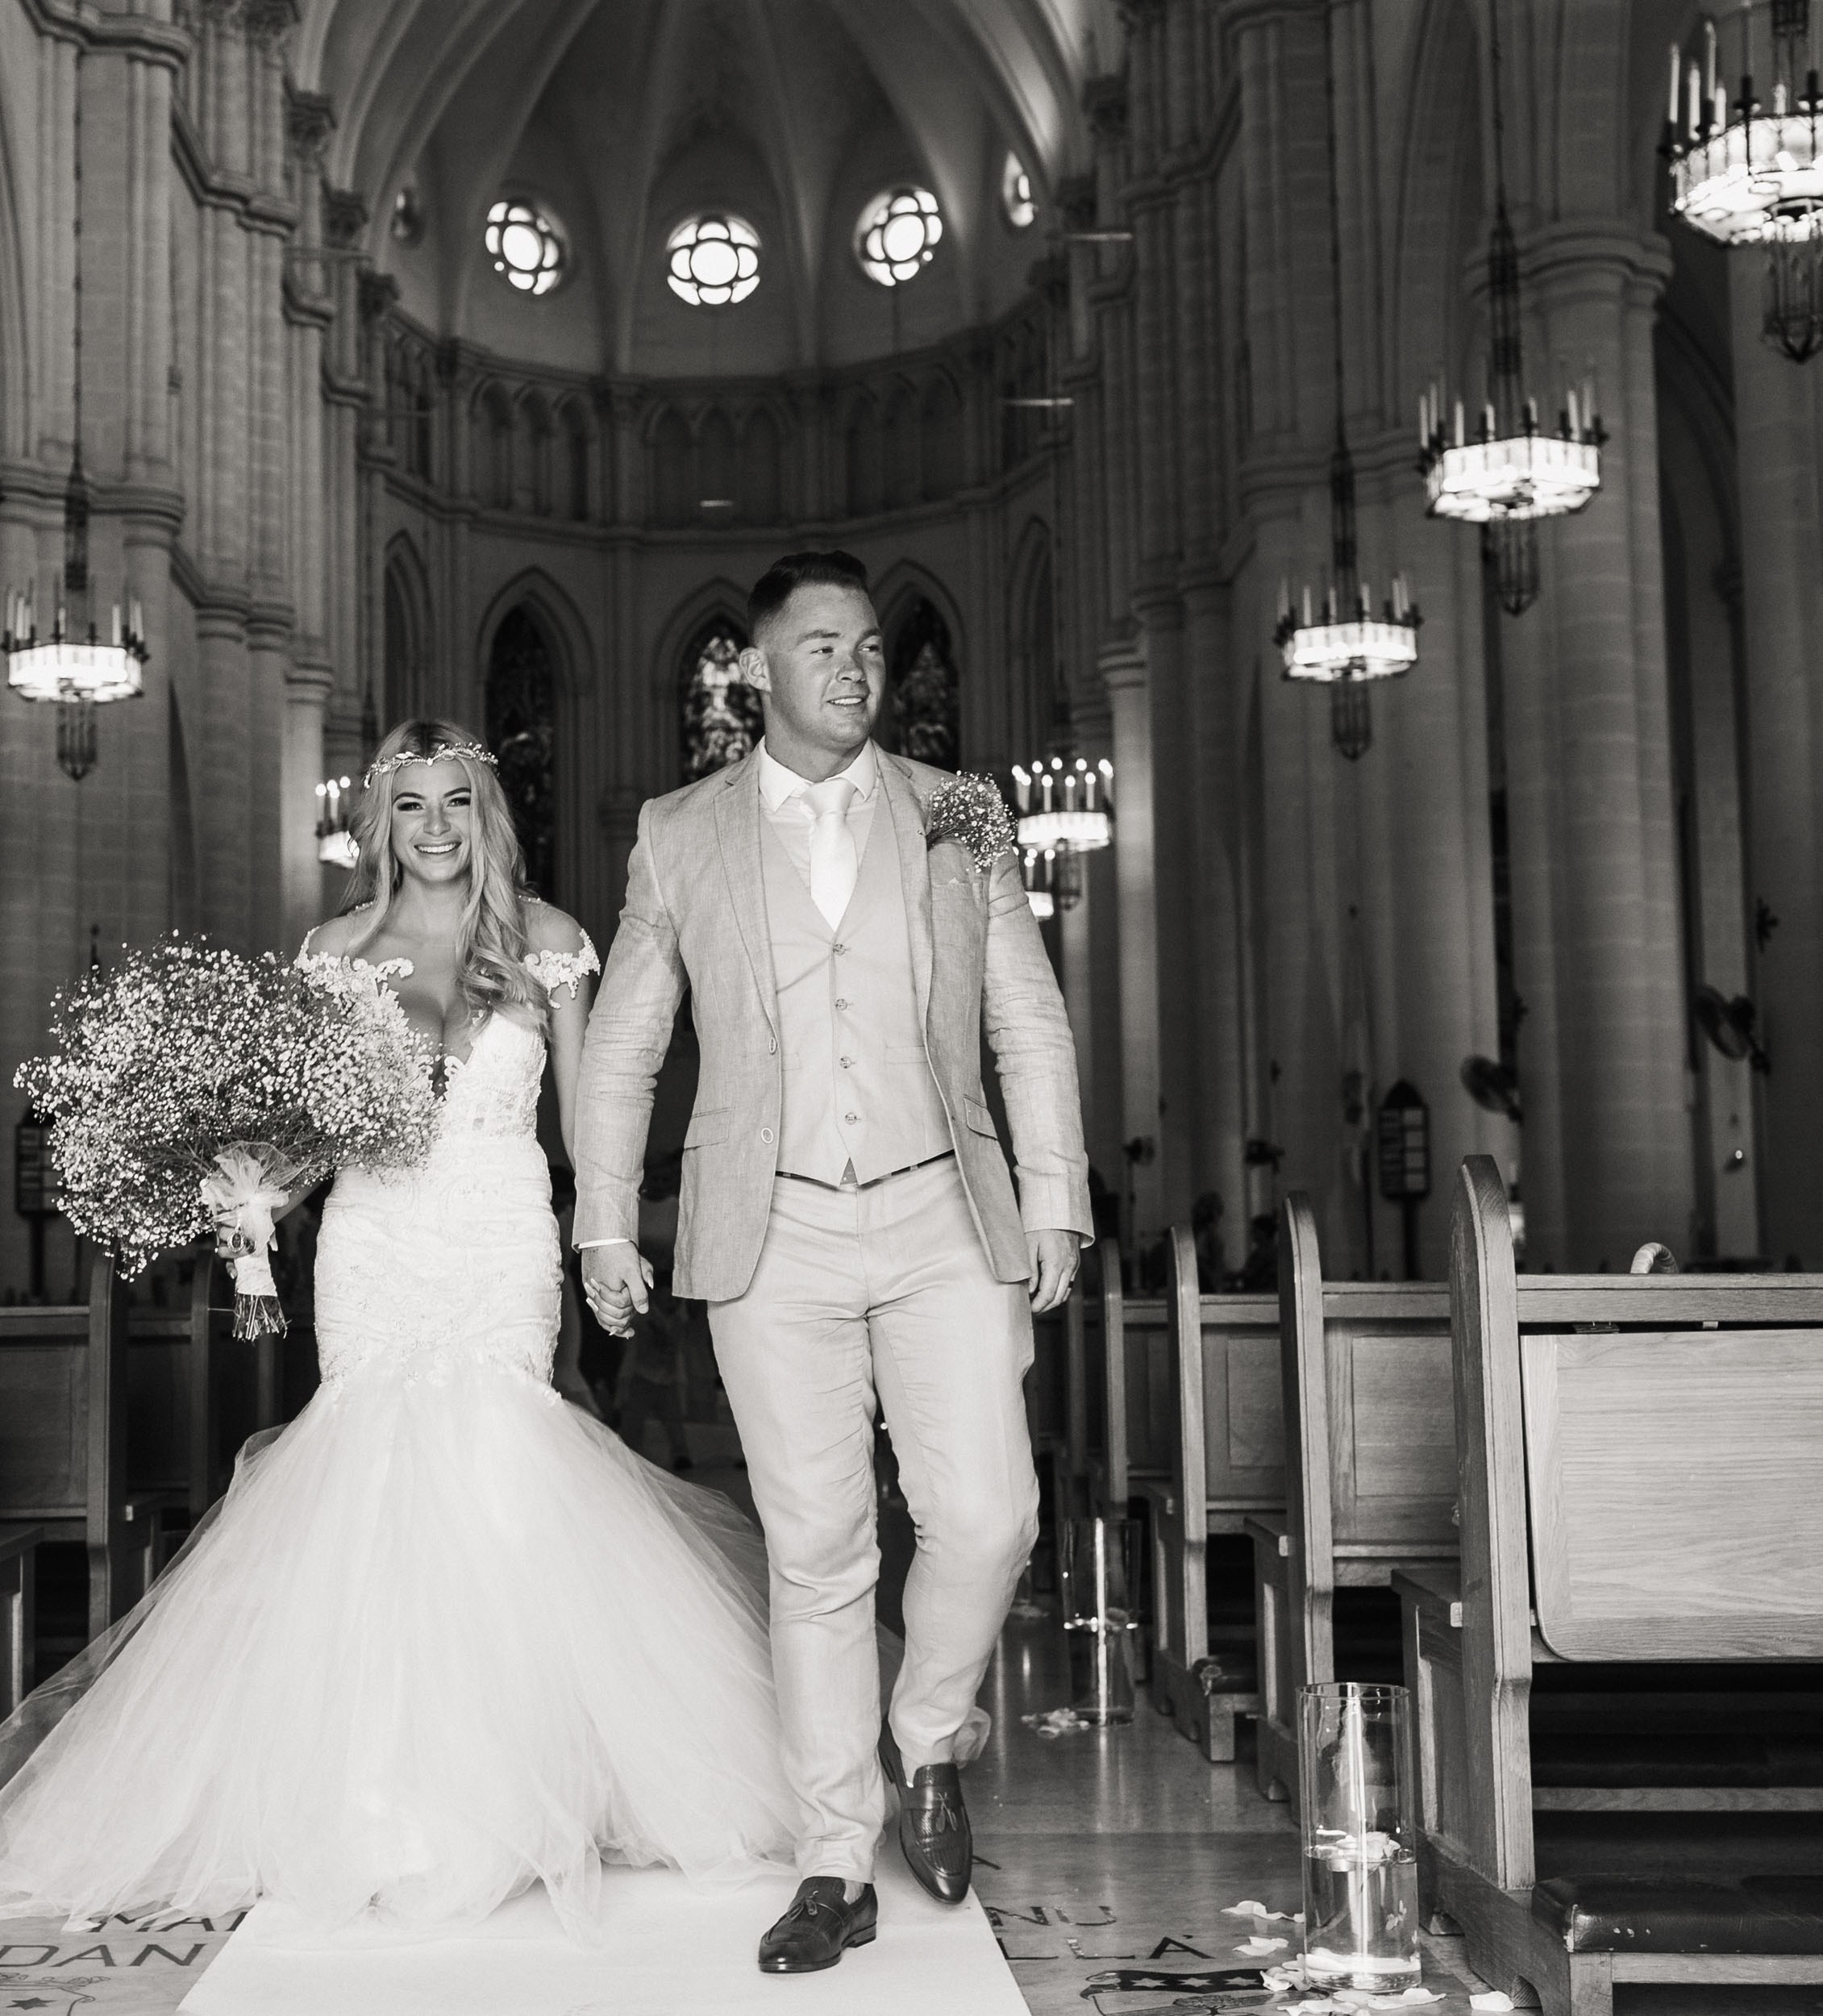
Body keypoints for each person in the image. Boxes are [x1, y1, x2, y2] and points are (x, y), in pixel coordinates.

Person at [0, 719, 799, 1938]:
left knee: (499, 1474)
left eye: (456, 804)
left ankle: (519, 1784)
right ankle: (377, 1797)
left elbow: (590, 1123)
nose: (434, 829)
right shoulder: (333, 952)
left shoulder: (552, 944)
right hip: (375, 1242)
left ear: (488, 814)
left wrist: (609, 1238)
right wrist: (250, 1189)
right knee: (367, 1476)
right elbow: (309, 1134)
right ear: (382, 824)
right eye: (411, 806)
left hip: (498, 1234)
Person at [574, 549, 1093, 1975]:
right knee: (816, 1554)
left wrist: (1053, 1194)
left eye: (868, 647)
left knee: (988, 1518)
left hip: (942, 1212)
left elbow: (1027, 1020)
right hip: (772, 1225)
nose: (854, 671)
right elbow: (625, 1040)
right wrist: (606, 1217)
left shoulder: (961, 813)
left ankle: (929, 1739)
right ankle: (828, 1860)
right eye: (820, 649)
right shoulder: (678, 830)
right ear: (755, 670)